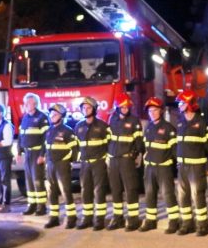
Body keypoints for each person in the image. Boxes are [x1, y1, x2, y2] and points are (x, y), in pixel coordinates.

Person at [174, 90, 208, 236]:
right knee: (182, 195)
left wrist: (199, 157)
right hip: (182, 166)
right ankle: (186, 223)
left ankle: (202, 224)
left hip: (196, 165)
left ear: (190, 103)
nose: (179, 105)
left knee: (197, 194)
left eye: (182, 103)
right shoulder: (180, 122)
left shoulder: (201, 122)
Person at [107, 92, 145, 231]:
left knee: (130, 189)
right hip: (113, 160)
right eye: (122, 107)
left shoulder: (134, 121)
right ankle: (117, 218)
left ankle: (133, 219)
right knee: (115, 190)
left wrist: (135, 154)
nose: (125, 109)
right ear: (117, 108)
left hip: (127, 159)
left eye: (126, 107)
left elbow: (139, 141)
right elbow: (108, 139)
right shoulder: (112, 119)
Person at [141, 96, 179, 233]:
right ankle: (150, 220)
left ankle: (174, 221)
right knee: (150, 194)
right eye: (150, 110)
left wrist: (176, 168)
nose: (152, 113)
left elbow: (175, 151)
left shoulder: (169, 129)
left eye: (154, 110)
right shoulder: (149, 127)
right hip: (150, 167)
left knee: (168, 194)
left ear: (161, 111)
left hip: (164, 167)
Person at [75, 96, 111, 231]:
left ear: (94, 109)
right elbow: (76, 146)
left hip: (98, 163)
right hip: (85, 164)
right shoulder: (79, 127)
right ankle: (86, 218)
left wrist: (106, 160)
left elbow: (110, 144)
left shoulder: (102, 126)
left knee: (99, 191)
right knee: (85, 191)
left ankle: (99, 219)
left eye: (88, 107)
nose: (85, 110)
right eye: (83, 108)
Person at [43, 103, 78, 229]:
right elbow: (47, 148)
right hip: (51, 164)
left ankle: (72, 217)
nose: (52, 116)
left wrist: (69, 162)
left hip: (62, 164)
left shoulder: (67, 131)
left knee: (66, 191)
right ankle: (54, 218)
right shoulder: (49, 130)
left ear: (62, 116)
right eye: (51, 114)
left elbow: (74, 149)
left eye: (55, 114)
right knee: (51, 192)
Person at [18, 93, 50, 216]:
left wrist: (42, 155)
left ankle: (41, 206)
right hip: (27, 153)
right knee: (29, 181)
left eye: (28, 102)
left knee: (37, 180)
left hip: (37, 153)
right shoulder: (25, 117)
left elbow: (46, 139)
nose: (25, 105)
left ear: (35, 104)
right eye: (25, 102)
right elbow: (21, 136)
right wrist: (19, 152)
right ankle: (32, 204)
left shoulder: (42, 117)